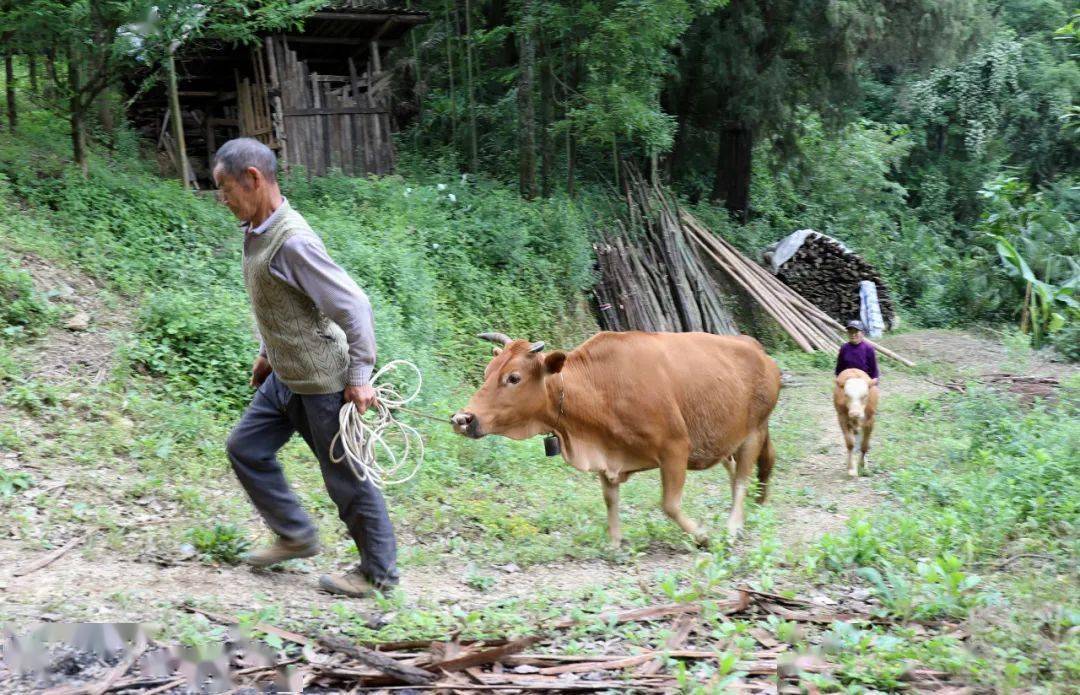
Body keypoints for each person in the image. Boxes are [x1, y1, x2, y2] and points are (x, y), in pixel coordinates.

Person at [212, 137, 398, 598]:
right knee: (246, 447)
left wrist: (358, 377)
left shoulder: (292, 241)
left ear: (253, 179)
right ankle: (295, 535)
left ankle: (378, 575)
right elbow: (279, 306)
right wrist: (264, 353)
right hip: (284, 377)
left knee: (347, 481)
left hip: (322, 383)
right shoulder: (257, 232)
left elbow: (354, 306)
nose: (223, 199)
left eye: (224, 188)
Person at [835, 320, 879, 385]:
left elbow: (874, 371)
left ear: (862, 333)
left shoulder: (868, 348)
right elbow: (839, 369)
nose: (853, 334)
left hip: (864, 382)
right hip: (847, 381)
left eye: (856, 331)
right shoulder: (844, 348)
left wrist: (873, 382)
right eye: (850, 332)